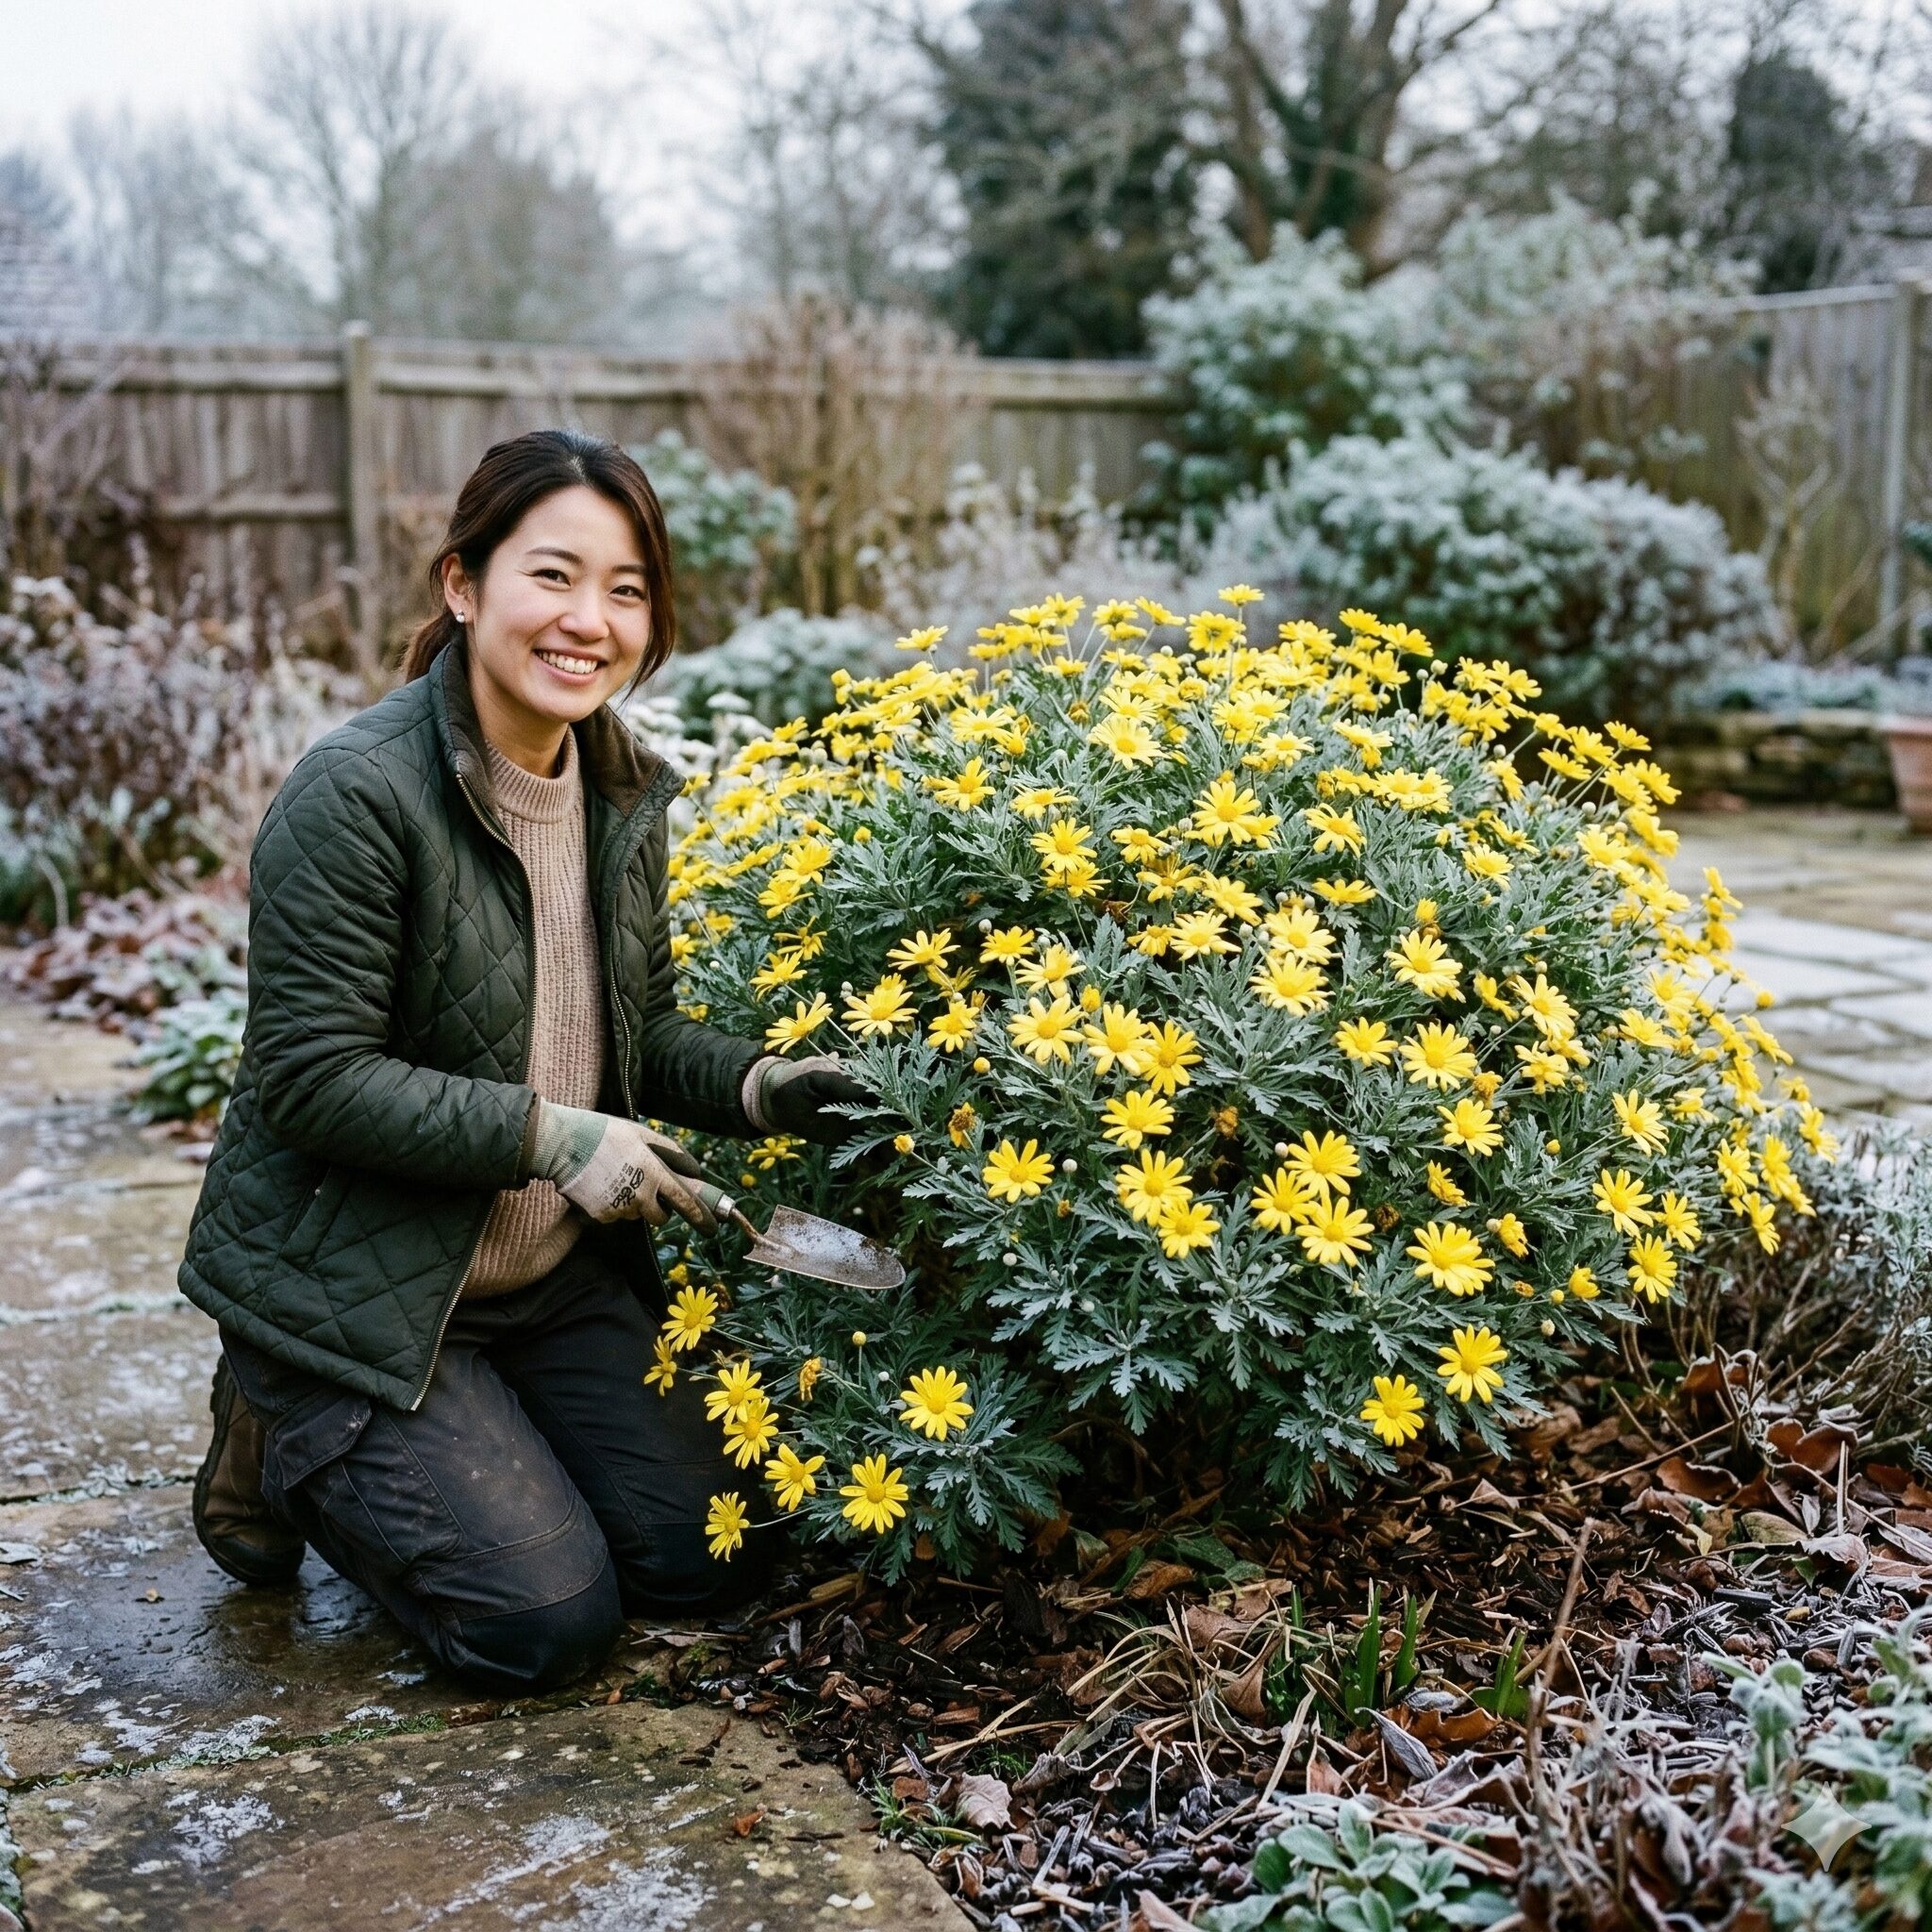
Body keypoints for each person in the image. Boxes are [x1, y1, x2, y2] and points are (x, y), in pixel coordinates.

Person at [179, 428, 874, 1692]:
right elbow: (314, 1078)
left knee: (711, 1554)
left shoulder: (618, 790)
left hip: (545, 1278)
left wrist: (768, 1087)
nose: (589, 620)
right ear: (464, 585)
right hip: (373, 1287)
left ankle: (466, 1454)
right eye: (552, 575)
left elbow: (636, 1034)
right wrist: (560, 1140)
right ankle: (273, 1413)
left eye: (626, 588)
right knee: (544, 1624)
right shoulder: (358, 792)